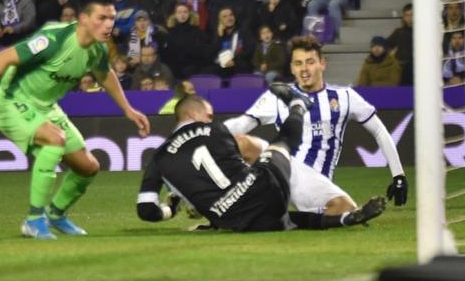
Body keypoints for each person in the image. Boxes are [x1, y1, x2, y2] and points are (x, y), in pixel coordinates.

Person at [0, 0, 150, 240]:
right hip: (11, 101)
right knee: (54, 140)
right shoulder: (53, 39)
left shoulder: (97, 49)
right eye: (102, 18)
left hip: (46, 107)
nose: (108, 24)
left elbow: (104, 74)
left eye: (111, 18)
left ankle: (56, 214)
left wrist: (128, 109)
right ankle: (34, 220)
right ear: (83, 18)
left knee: (88, 167)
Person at [137, 92, 386, 231]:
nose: (211, 117)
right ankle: (299, 105)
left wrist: (170, 210)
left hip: (232, 220)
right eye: (208, 114)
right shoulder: (216, 130)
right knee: (280, 145)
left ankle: (342, 219)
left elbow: (146, 211)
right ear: (193, 114)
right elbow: (244, 150)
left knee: (286, 221)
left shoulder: (158, 158)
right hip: (262, 189)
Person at [224, 36, 407, 216]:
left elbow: (379, 131)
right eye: (298, 63)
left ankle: (289, 216)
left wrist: (398, 176)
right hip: (282, 173)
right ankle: (215, 202)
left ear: (322, 64)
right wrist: (206, 134)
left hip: (317, 187)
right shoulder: (279, 96)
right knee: (240, 143)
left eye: (310, 62)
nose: (304, 69)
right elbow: (242, 123)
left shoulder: (344, 97)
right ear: (292, 68)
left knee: (346, 209)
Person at [211, 6, 255, 78]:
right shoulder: (219, 34)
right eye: (225, 16)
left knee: (242, 68)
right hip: (223, 65)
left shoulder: (243, 31)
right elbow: (213, 53)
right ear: (220, 20)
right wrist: (219, 36)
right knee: (210, 71)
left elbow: (249, 49)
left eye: (231, 15)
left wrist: (234, 61)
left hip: (240, 63)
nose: (229, 18)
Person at [386, 3, 413, 85]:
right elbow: (385, 45)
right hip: (401, 68)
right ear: (403, 17)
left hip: (417, 68)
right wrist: (391, 53)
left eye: (412, 15)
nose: (409, 18)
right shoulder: (399, 32)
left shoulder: (422, 32)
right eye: (407, 15)